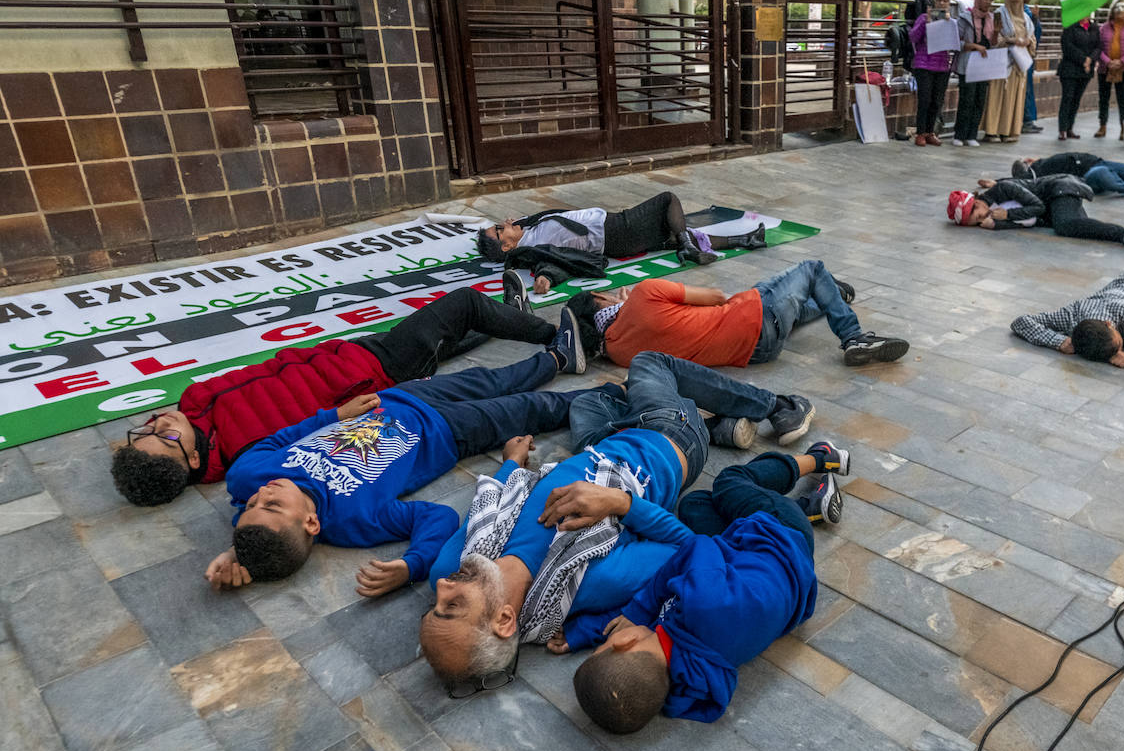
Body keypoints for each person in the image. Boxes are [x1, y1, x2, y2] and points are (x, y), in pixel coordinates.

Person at [415, 351, 820, 686]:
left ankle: (716, 423)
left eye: (436, 605)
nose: (445, 587)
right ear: (505, 619)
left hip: (599, 444)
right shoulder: (589, 582)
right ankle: (775, 408)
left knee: (590, 401)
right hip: (667, 442)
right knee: (650, 361)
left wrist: (511, 465)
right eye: (452, 606)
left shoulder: (451, 568)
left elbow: (489, 502)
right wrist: (619, 503)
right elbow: (684, 547)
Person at [109, 287, 583, 508]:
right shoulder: (244, 459)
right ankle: (559, 336)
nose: (159, 425)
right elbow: (320, 434)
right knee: (462, 307)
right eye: (165, 439)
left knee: (445, 336)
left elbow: (263, 370)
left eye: (146, 431)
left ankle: (509, 315)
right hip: (375, 375)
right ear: (192, 461)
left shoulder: (191, 404)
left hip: (348, 354)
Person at [202, 339, 596, 597]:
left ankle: (558, 356)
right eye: (270, 506)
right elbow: (434, 516)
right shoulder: (354, 520)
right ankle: (617, 395)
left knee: (491, 379)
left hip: (400, 398)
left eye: (251, 504)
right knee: (530, 409)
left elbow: (277, 439)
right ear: (311, 524)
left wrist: (333, 416)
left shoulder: (246, 478)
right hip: (446, 434)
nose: (262, 494)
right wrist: (412, 565)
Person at [563, 447, 839, 732]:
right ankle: (821, 458)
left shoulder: (689, 675)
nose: (611, 637)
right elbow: (694, 549)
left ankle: (810, 507)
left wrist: (585, 630)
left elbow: (646, 629)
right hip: (783, 535)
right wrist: (639, 609)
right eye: (605, 645)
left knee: (695, 504)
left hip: (761, 574)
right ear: (625, 641)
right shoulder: (702, 605)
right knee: (729, 481)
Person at [564, 262, 910, 368]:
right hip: (753, 320)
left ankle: (833, 294)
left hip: (756, 352)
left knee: (776, 299)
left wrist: (626, 309)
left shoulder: (617, 354)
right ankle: (854, 337)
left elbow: (665, 330)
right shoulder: (643, 294)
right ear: (599, 297)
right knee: (811, 269)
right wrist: (633, 299)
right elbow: (715, 297)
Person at [477, 192, 767, 293]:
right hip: (616, 229)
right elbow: (555, 260)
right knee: (668, 200)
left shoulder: (528, 231)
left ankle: (746, 239)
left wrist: (516, 224)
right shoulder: (533, 247)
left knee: (674, 230)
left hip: (615, 230)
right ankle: (686, 246)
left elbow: (530, 222)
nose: (504, 224)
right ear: (506, 247)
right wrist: (547, 277)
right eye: (499, 230)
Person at [946, 175, 1124, 252]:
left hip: (1061, 189)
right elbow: (1031, 222)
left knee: (1066, 225)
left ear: (976, 204)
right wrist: (998, 225)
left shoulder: (1002, 189)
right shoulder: (992, 210)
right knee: (1081, 228)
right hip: (1054, 203)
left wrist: (1007, 218)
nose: (981, 220)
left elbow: (1037, 208)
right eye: (976, 224)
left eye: (977, 216)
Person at [981, 0, 1035, 143]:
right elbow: (994, 37)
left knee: (1014, 98)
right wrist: (1011, 41)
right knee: (997, 96)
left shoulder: (1026, 18)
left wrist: (1026, 42)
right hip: (1002, 62)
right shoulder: (999, 13)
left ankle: (1008, 131)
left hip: (1018, 65)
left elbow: (1032, 39)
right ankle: (992, 131)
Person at [908, 0, 957, 146]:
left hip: (942, 66)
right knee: (925, 100)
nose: (942, 3)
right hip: (924, 64)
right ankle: (920, 132)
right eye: (940, 0)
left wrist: (950, 25)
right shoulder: (923, 18)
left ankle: (930, 132)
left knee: (937, 101)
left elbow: (955, 42)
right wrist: (927, 21)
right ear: (934, 2)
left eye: (946, 1)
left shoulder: (950, 22)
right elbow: (913, 37)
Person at [953, 0, 996, 147]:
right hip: (968, 63)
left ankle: (972, 134)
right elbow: (956, 42)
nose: (988, 2)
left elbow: (993, 43)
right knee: (967, 99)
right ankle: (960, 134)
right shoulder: (966, 17)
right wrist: (974, 46)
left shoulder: (991, 19)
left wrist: (997, 32)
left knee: (979, 100)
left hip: (984, 64)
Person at [1094, 0, 1124, 140]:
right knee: (1104, 97)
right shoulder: (1104, 27)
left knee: (1122, 98)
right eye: (1117, 8)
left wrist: (1122, 61)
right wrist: (1108, 62)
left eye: (1123, 7)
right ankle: (1102, 125)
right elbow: (1098, 47)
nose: (1120, 11)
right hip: (1105, 68)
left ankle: (1123, 127)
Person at [1057, 13, 1099, 140]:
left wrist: (1090, 59)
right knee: (1067, 98)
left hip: (1085, 70)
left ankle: (1070, 127)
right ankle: (1062, 129)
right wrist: (1083, 59)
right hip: (1070, 69)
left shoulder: (1094, 28)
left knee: (1076, 99)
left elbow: (1098, 47)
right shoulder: (1070, 26)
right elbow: (1067, 47)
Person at [1019, 0, 1045, 134]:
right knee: (1023, 89)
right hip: (1019, 55)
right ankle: (1024, 120)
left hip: (1029, 55)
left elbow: (1036, 33)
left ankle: (1028, 119)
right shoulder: (1020, 12)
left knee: (1028, 88)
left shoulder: (1028, 10)